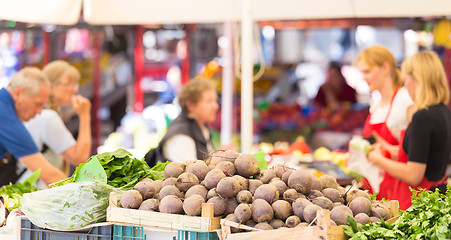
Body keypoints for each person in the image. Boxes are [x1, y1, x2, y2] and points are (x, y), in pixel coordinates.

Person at [368, 50, 451, 210]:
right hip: (436, 200)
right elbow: (424, 153)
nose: (405, 87)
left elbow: (413, 175)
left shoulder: (423, 117)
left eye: (405, 80)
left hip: (418, 204)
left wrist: (379, 160)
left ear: (417, 79)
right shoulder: (444, 112)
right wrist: (387, 149)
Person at [354, 45, 414, 200]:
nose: (363, 77)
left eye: (367, 71)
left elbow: (412, 153)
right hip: (376, 188)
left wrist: (384, 153)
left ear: (385, 68)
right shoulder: (376, 104)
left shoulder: (404, 100)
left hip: (399, 192)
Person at [22, 60, 91, 178]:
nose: (74, 89)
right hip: (38, 191)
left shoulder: (42, 114)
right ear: (51, 88)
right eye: (68, 83)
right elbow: (80, 157)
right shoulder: (48, 117)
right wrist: (85, 115)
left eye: (75, 84)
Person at [0, 67, 66, 186]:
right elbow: (50, 176)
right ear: (18, 93)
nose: (40, 111)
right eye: (38, 104)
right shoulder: (6, 117)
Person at [147, 78, 219, 163]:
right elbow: (191, 172)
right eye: (209, 101)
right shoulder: (179, 135)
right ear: (190, 105)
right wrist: (217, 160)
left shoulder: (202, 127)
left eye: (215, 101)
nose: (216, 106)